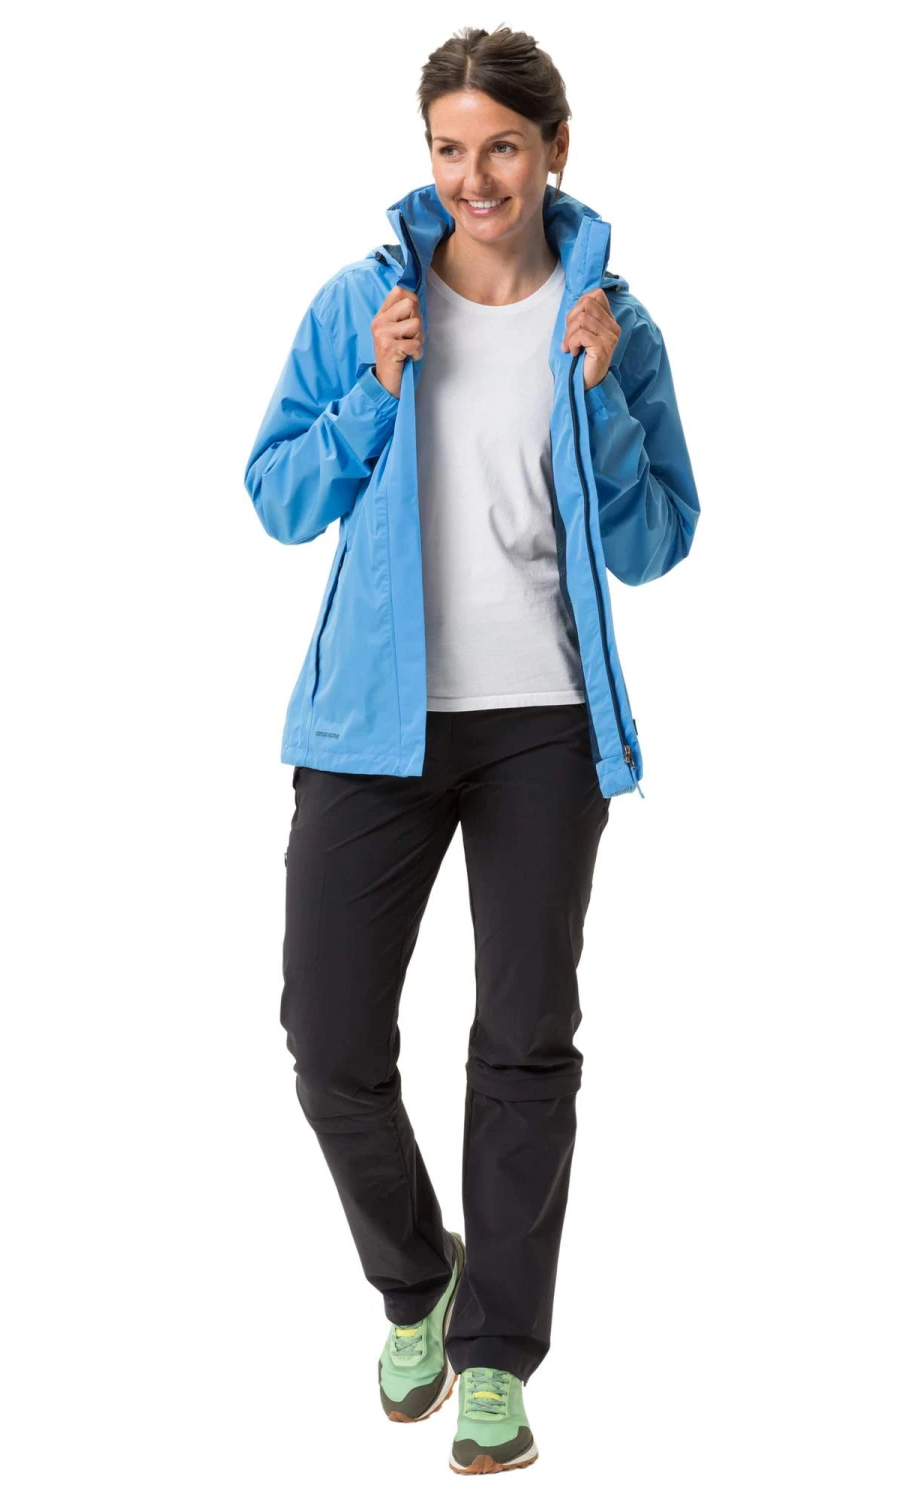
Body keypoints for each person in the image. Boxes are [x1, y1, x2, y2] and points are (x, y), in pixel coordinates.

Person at [243, 25, 700, 1475]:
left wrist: (604, 397)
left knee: (523, 1042)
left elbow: (658, 540)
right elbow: (277, 495)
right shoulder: (363, 303)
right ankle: (418, 1285)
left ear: (556, 149)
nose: (474, 177)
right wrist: (371, 392)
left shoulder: (612, 321)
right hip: (371, 727)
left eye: (502, 146)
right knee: (328, 1041)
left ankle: (499, 1353)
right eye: (449, 149)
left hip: (544, 730)